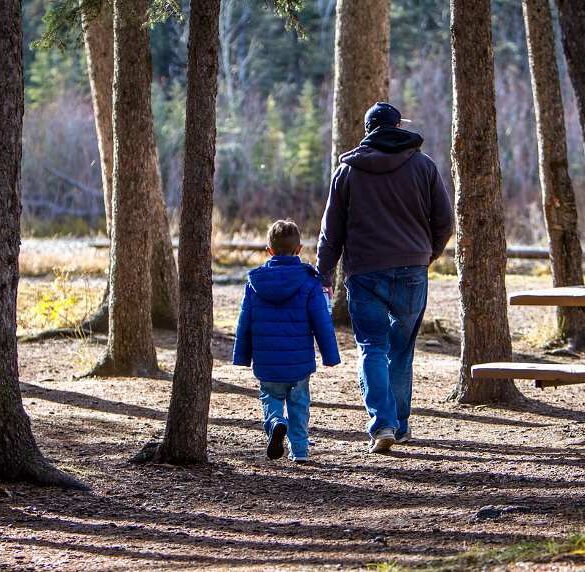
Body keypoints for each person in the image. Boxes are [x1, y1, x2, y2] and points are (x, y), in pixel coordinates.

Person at [316, 102, 453, 454]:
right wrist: (427, 254)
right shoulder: (423, 166)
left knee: (372, 347)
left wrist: (324, 272)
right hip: (412, 269)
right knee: (401, 351)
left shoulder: (347, 172)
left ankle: (383, 425)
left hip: (364, 272)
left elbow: (331, 232)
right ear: (397, 126)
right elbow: (444, 221)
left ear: (368, 130)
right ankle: (400, 426)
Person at [233, 220, 341, 462]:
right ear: (299, 249)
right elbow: (321, 320)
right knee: (299, 403)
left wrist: (241, 356)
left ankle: (275, 423)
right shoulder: (309, 281)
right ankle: (300, 451)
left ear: (269, 250)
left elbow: (245, 321)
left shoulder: (255, 284)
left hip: (267, 360)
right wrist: (330, 355)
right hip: (299, 361)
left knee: (270, 396)